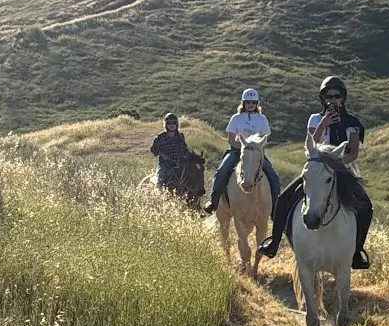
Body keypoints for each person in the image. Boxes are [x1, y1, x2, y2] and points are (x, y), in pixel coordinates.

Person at [258, 75, 372, 269]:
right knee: (285, 198)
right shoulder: (316, 119)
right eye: (329, 96)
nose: (333, 100)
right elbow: (311, 142)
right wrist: (324, 123)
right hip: (316, 167)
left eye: (337, 96)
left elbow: (353, 152)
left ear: (343, 98)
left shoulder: (352, 123)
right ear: (323, 98)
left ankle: (356, 251)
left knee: (365, 206)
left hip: (342, 168)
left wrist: (336, 163)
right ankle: (274, 242)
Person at [204, 88, 281, 216]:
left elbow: (265, 139)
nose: (250, 104)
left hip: (256, 153)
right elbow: (231, 139)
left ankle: (275, 208)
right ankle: (214, 202)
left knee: (274, 177)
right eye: (248, 102)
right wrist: (244, 149)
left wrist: (253, 151)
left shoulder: (262, 119)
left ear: (257, 104)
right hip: (236, 151)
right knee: (222, 171)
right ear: (243, 103)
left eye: (253, 102)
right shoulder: (236, 118)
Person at [151, 112, 191, 188]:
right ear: (166, 124)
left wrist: (188, 155)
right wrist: (162, 155)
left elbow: (184, 148)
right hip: (166, 164)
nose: (172, 125)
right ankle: (157, 195)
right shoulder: (160, 137)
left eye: (174, 123)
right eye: (169, 123)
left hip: (180, 163)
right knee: (160, 179)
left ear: (177, 124)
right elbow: (154, 149)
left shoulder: (180, 136)